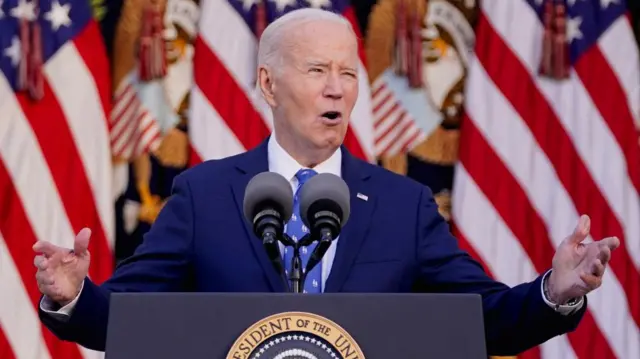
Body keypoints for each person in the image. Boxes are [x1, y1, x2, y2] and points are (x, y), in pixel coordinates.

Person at [34, 7, 619, 356]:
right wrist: (73, 297)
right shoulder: (205, 196)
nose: (338, 88)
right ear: (268, 84)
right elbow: (129, 321)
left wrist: (554, 291)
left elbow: (484, 319)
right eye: (317, 71)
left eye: (348, 71)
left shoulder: (402, 204)